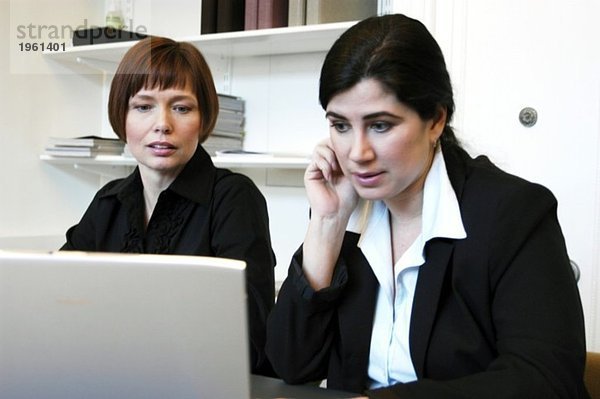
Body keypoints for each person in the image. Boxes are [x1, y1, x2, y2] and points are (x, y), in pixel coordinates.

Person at [265, 14, 589, 398]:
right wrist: (328, 222)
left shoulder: (513, 213)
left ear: (435, 120)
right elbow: (290, 366)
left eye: (381, 125)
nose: (356, 153)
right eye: (340, 125)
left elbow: (547, 381)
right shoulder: (347, 214)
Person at [62, 36, 276, 375]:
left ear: (203, 119)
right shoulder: (107, 203)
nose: (162, 124)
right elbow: (57, 299)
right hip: (112, 377)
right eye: (144, 106)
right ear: (123, 117)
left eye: (181, 107)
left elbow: (251, 337)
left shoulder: (233, 198)